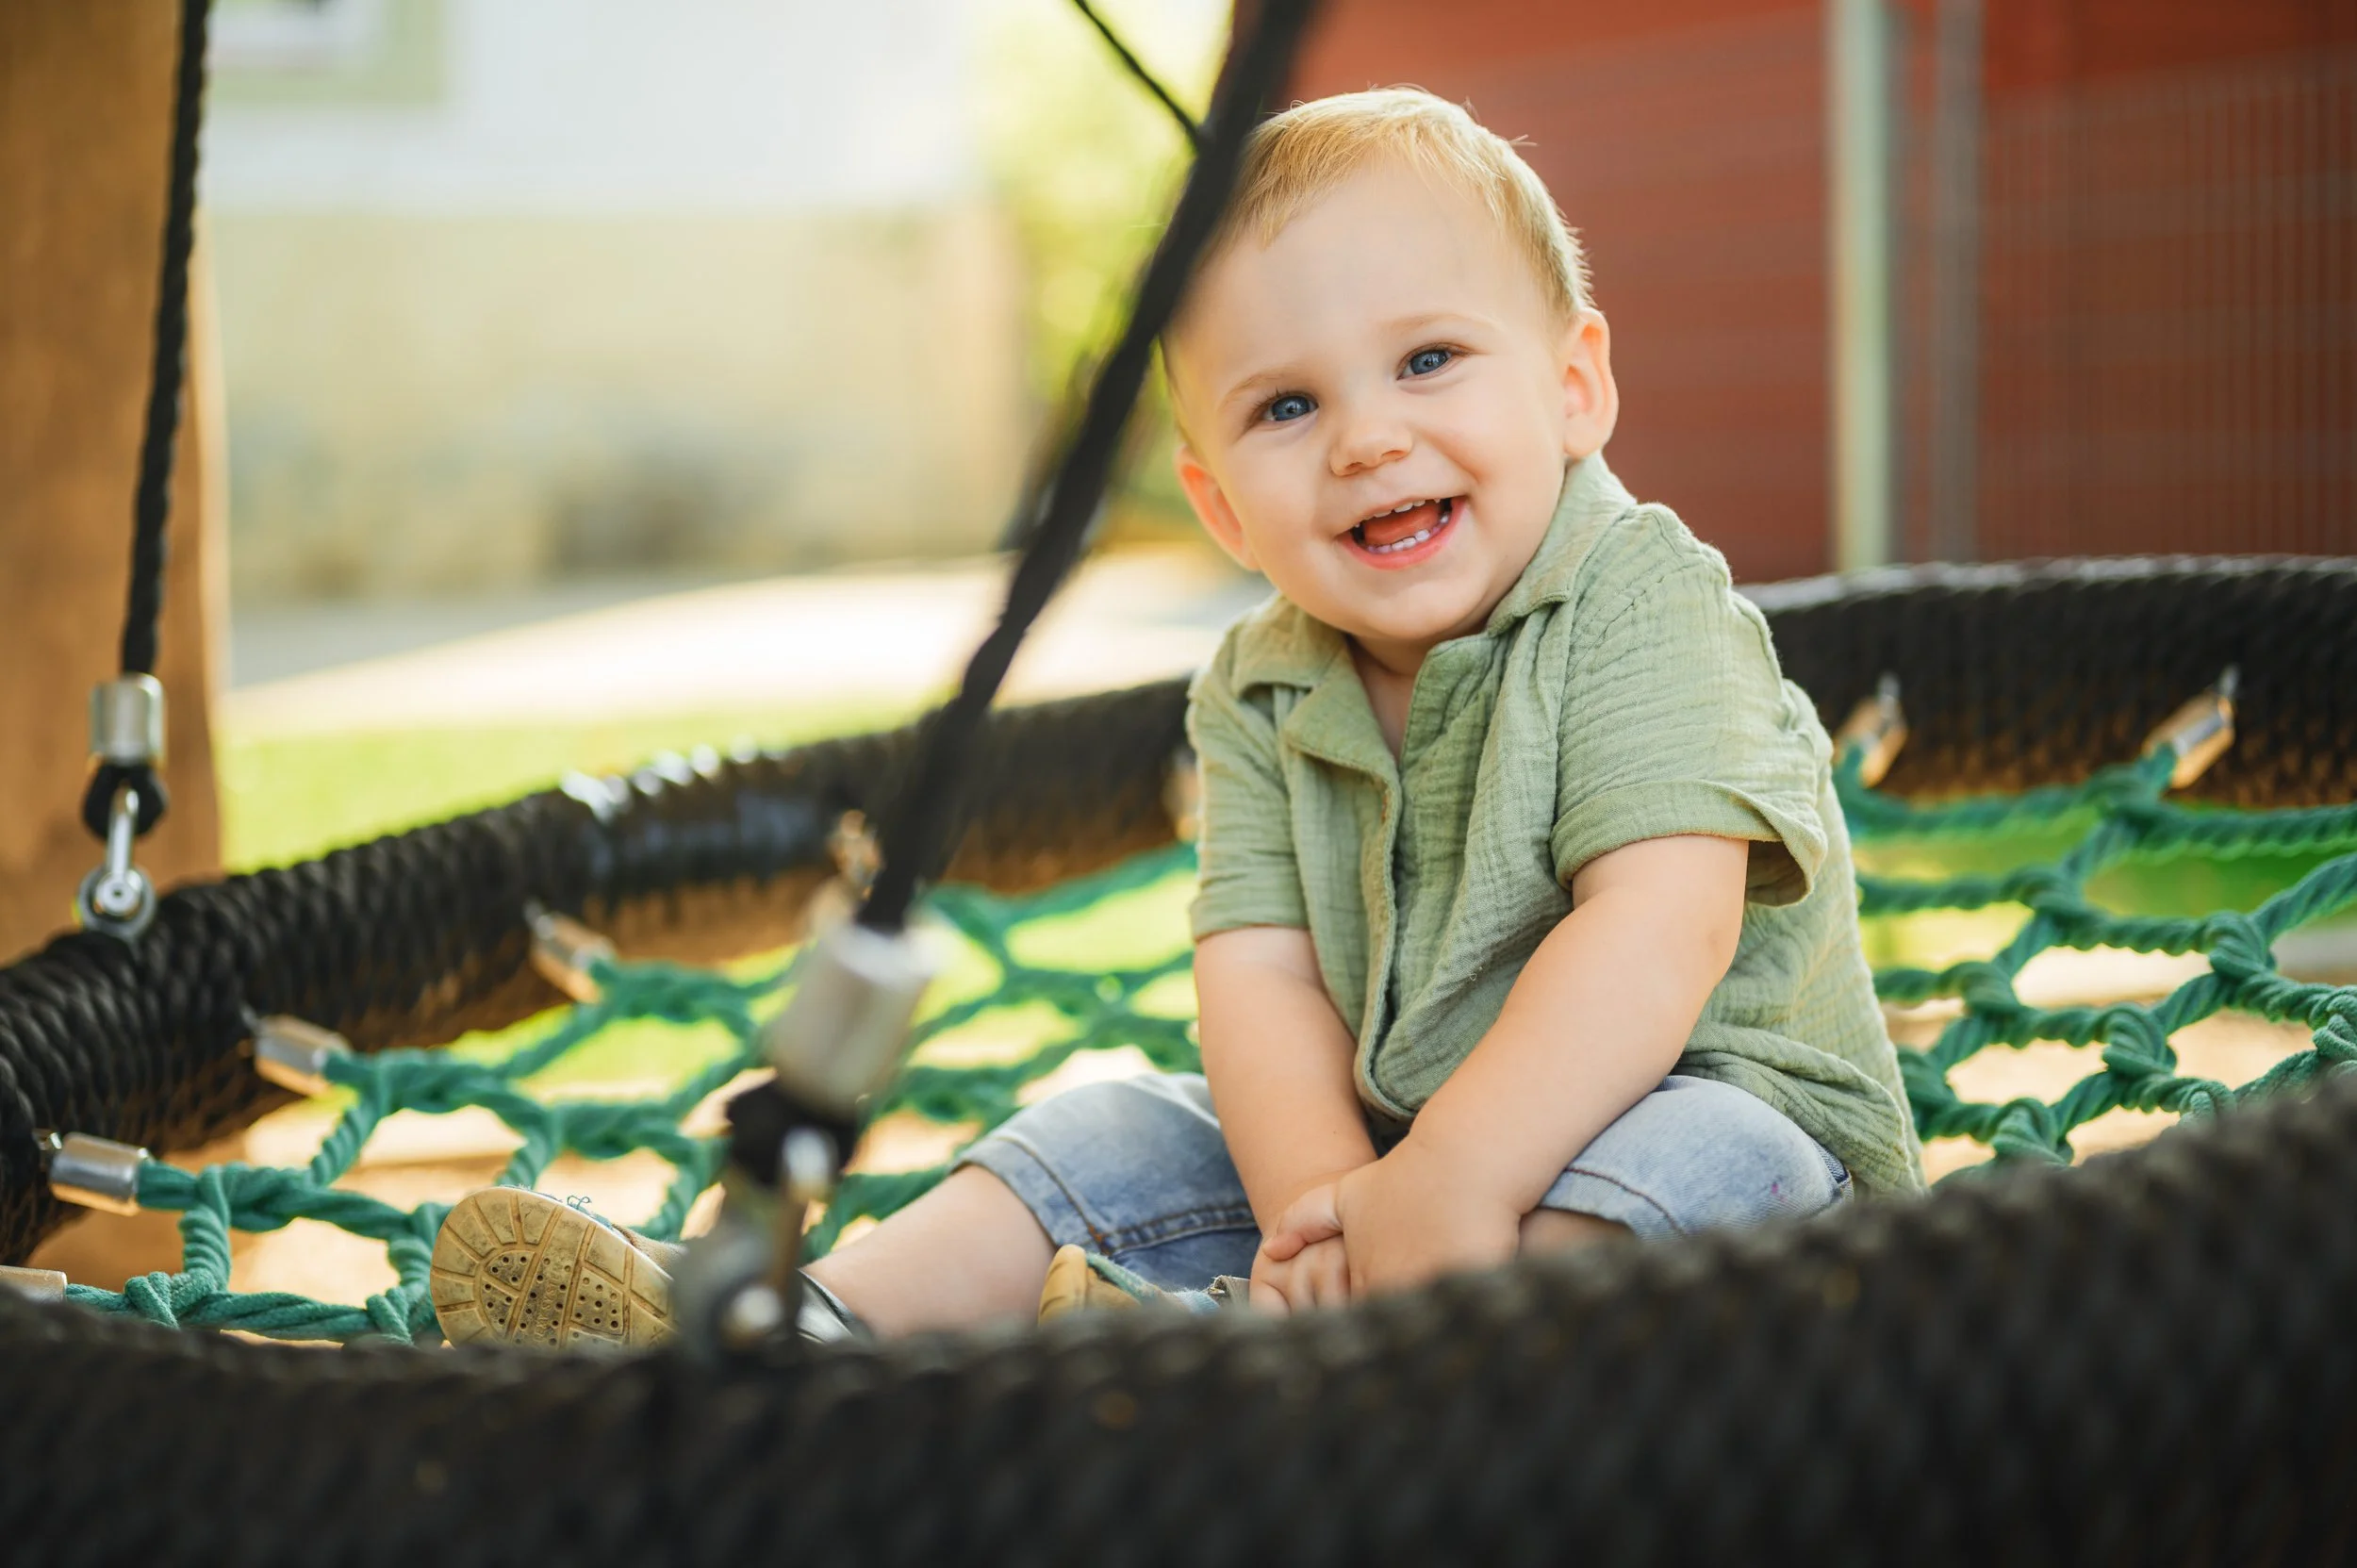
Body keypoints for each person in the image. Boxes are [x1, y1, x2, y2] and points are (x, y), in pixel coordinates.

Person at [428, 87, 1923, 1353]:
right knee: (1109, 1127)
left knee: (1711, 1153)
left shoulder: (1641, 599)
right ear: (1217, 503)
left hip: (1729, 1181)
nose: (1369, 437)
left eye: (1427, 359)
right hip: (1392, 1178)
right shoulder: (1264, 684)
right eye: (1286, 408)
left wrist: (1455, 1180)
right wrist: (1330, 1206)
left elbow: (1659, 930)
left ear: (1576, 383)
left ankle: (1240, 1367)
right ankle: (817, 1337)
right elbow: (1261, 979)